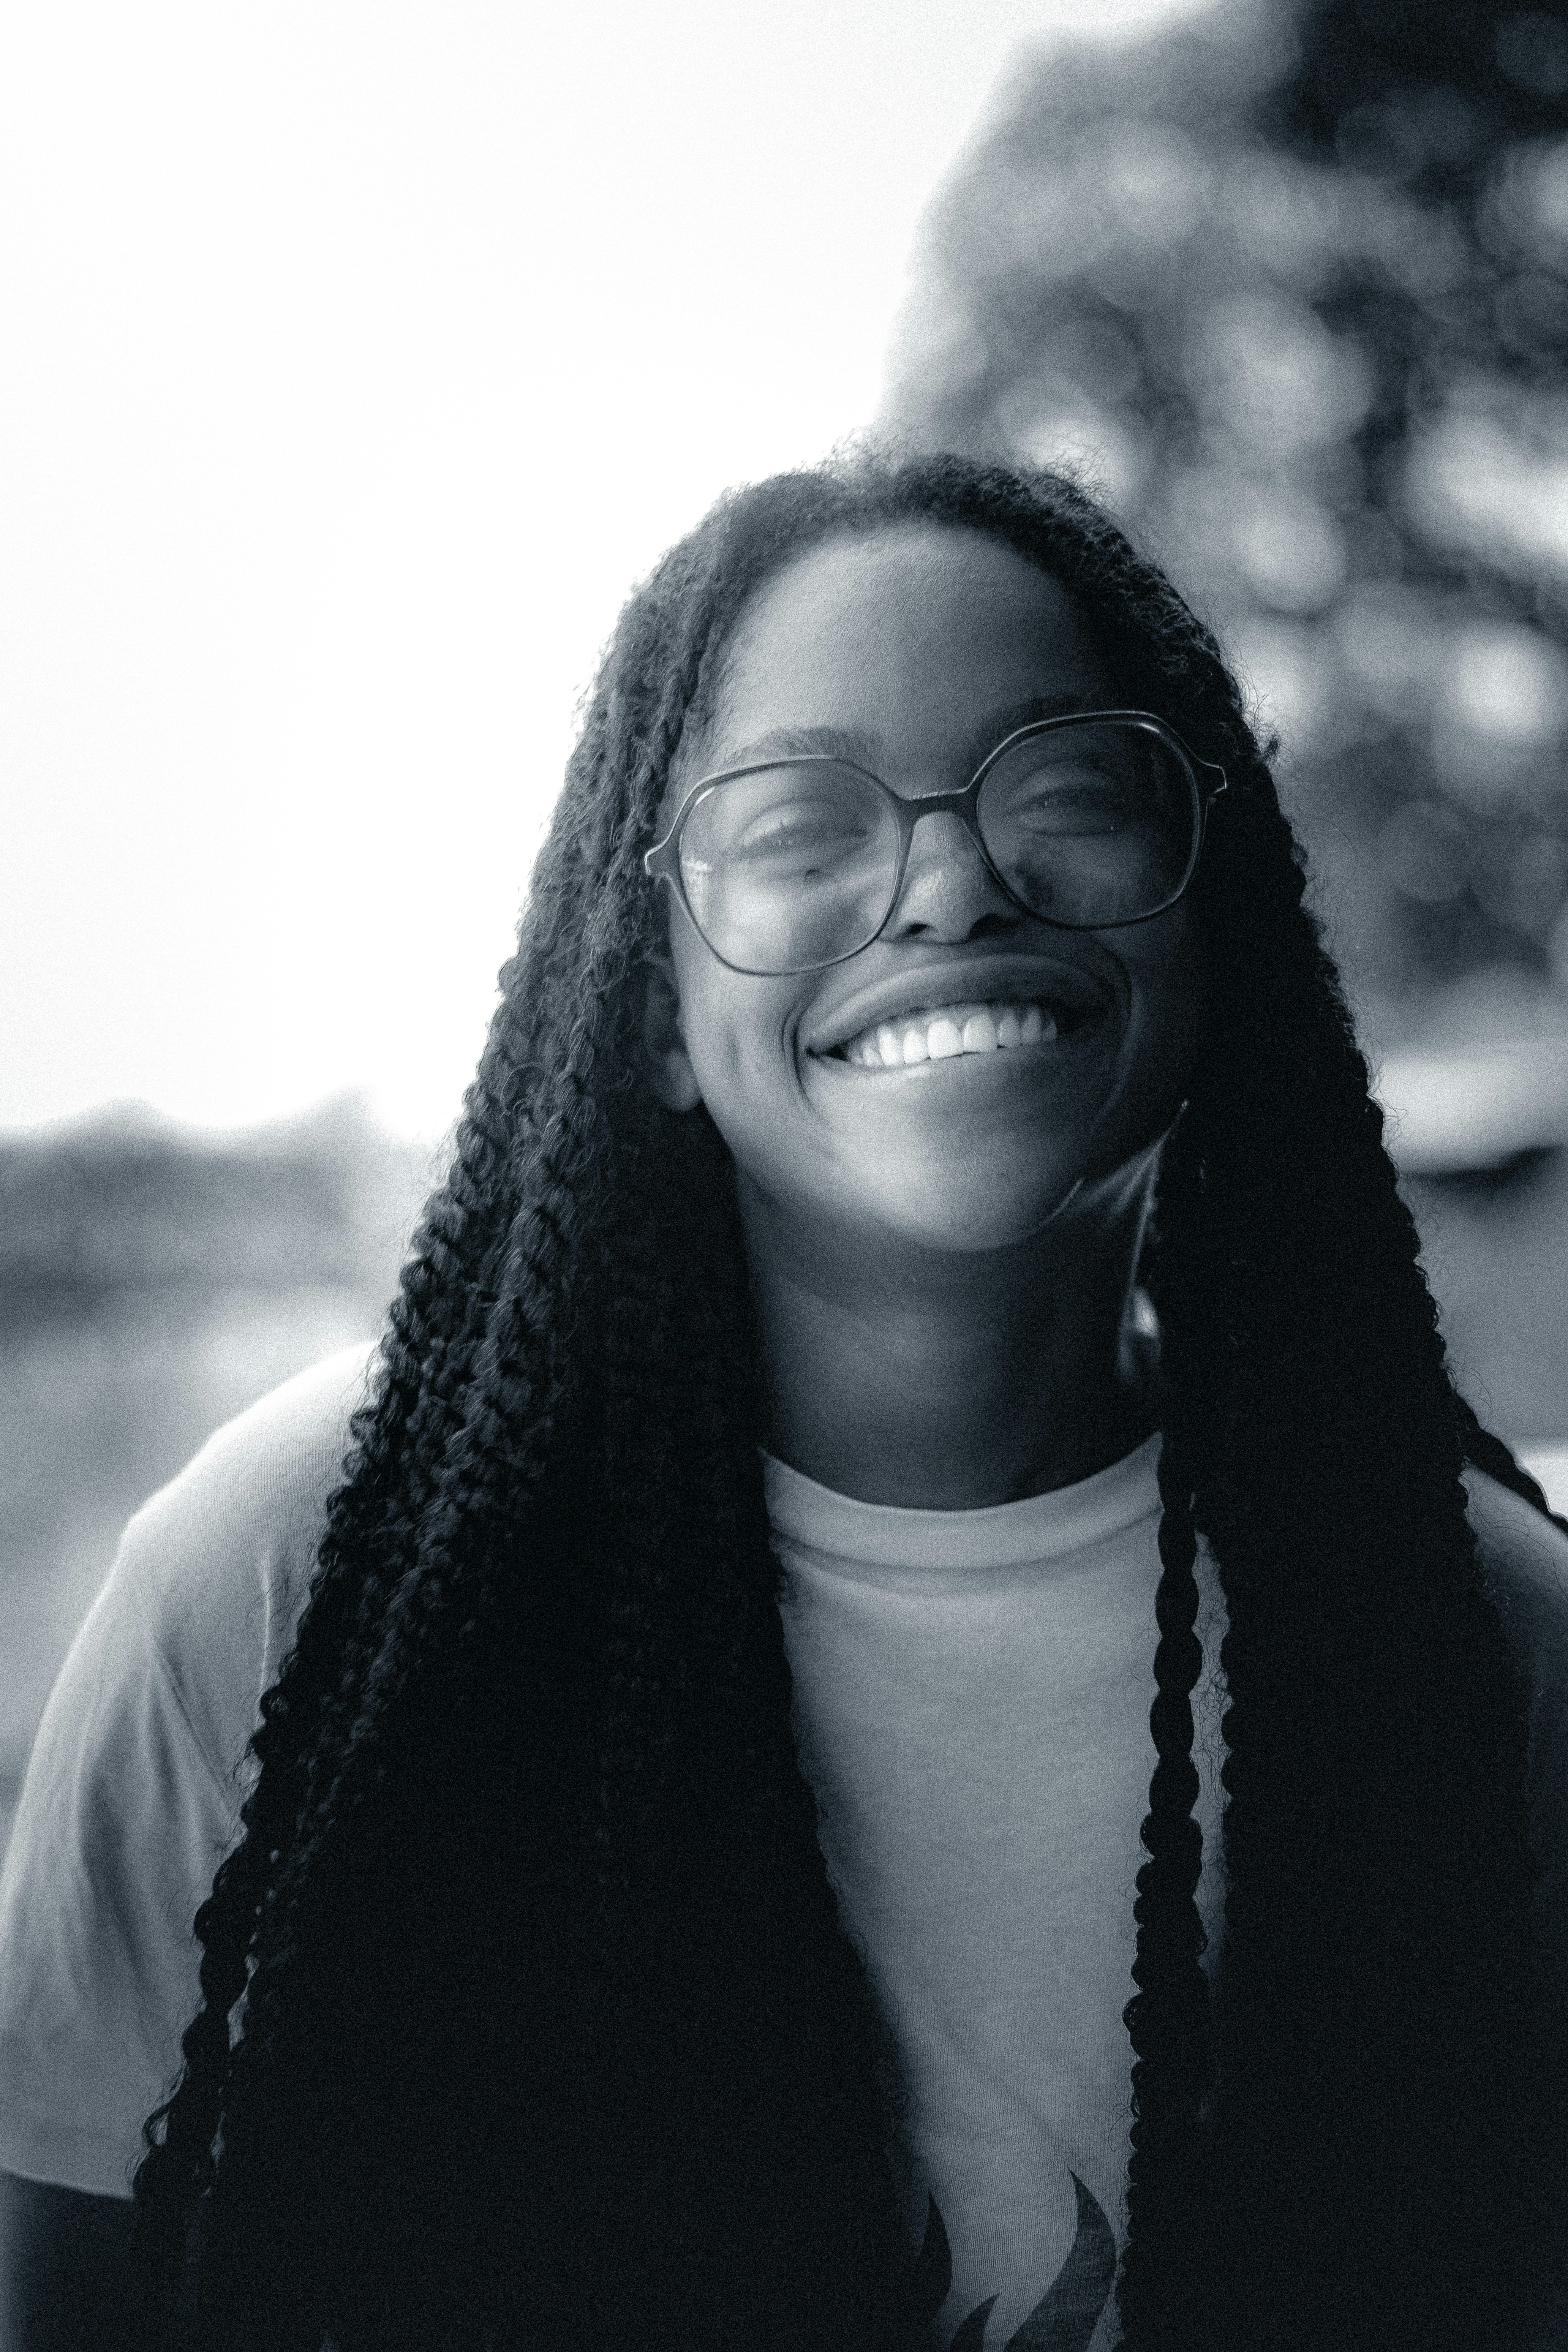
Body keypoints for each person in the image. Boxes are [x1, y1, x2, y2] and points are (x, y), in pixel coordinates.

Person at [2, 451, 1567, 2352]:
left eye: (1065, 783)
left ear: (1208, 918)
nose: (953, 879)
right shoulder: (280, 1592)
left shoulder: (1484, 1636)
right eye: (801, 825)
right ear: (649, 1006)